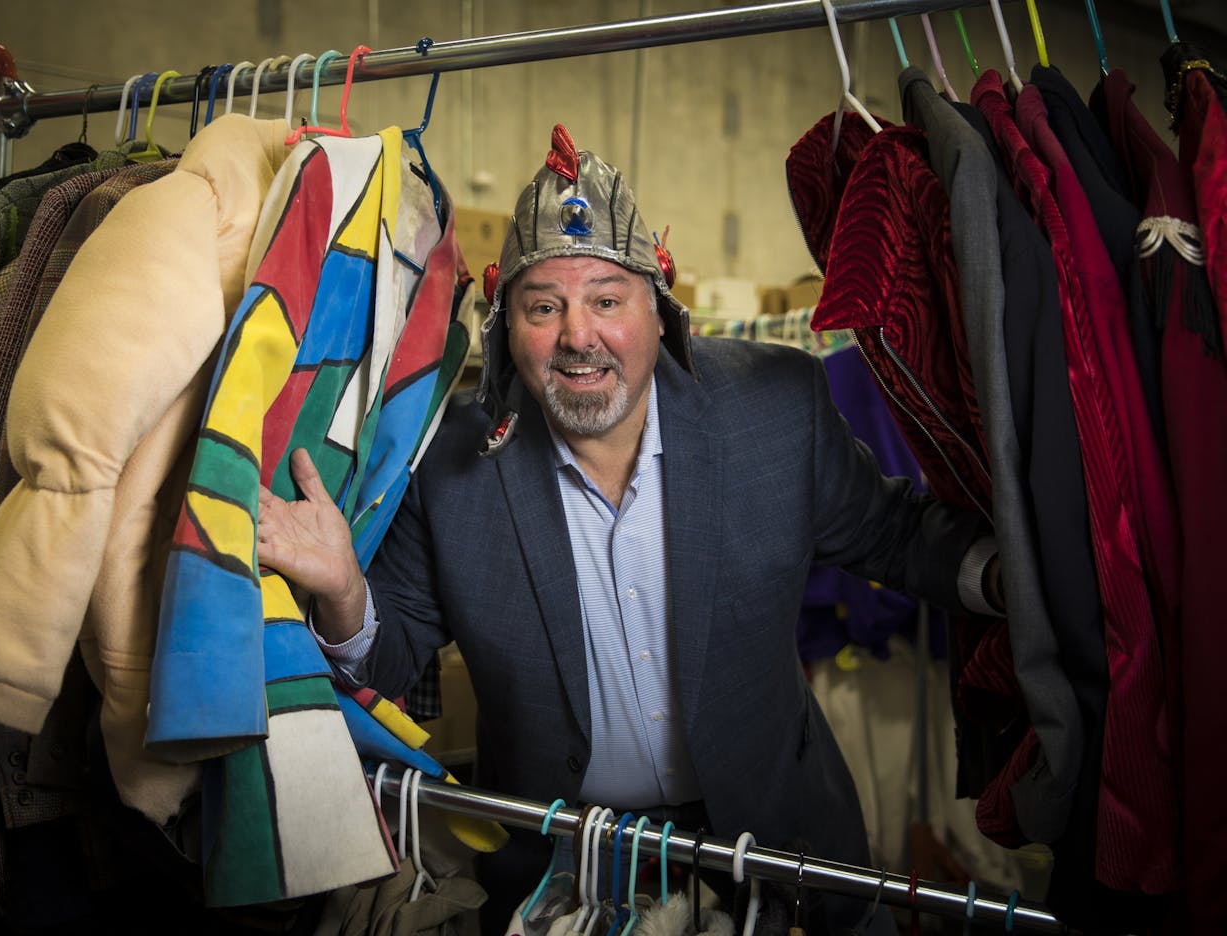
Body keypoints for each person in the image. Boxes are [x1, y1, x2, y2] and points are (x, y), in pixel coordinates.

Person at [256, 124, 1000, 934]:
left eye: (607, 300)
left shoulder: (775, 408)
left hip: (781, 846)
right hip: (562, 863)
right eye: (545, 307)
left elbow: (891, 532)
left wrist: (1013, 577)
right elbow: (391, 657)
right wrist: (342, 591)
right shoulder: (451, 464)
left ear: (658, 309)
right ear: (509, 324)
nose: (579, 335)